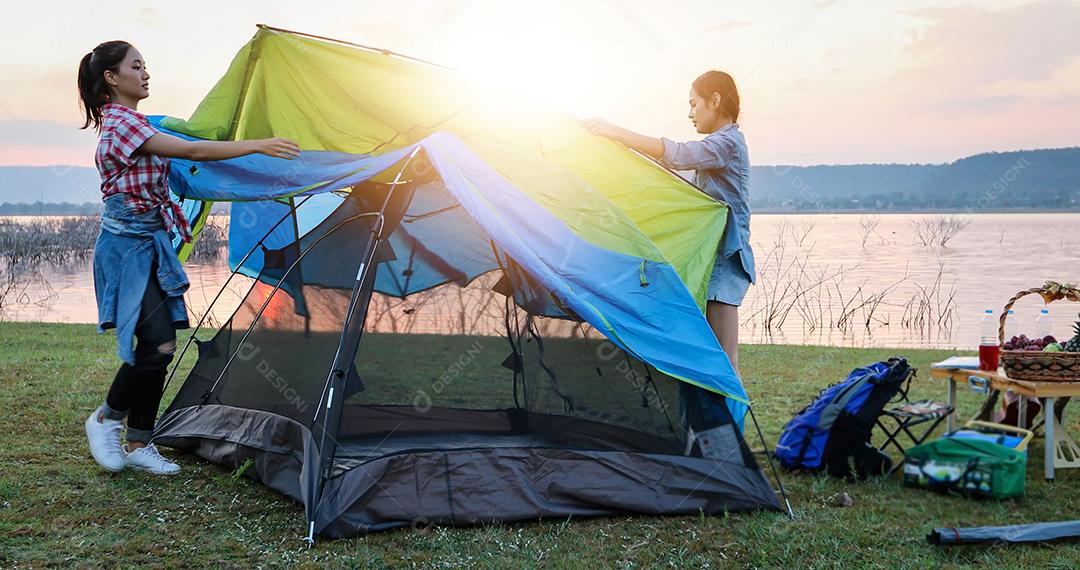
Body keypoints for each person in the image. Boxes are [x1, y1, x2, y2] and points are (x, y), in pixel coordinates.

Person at [78, 40, 300, 474]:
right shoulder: (123, 126)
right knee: (157, 344)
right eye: (136, 66)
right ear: (111, 77)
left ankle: (141, 442)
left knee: (159, 345)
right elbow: (195, 151)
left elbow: (189, 151)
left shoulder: (138, 124)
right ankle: (105, 418)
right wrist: (259, 144)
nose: (145, 74)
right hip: (127, 251)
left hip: (151, 244)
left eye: (146, 66)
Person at [583, 70, 754, 373]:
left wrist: (617, 132)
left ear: (714, 101)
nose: (690, 113)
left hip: (726, 264)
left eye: (693, 104)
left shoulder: (728, 144)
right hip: (707, 261)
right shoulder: (719, 147)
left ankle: (729, 420)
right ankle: (709, 419)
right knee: (706, 356)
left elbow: (679, 154)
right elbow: (677, 176)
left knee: (724, 359)